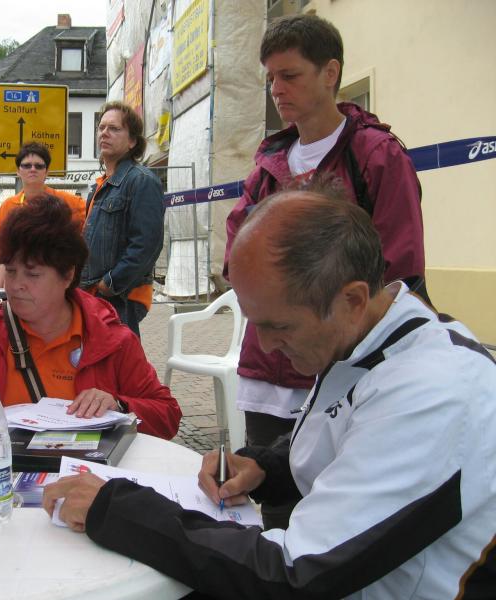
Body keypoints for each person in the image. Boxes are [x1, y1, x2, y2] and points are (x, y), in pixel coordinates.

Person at [42, 186, 496, 599]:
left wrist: (116, 508)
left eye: (279, 325)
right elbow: (345, 438)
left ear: (352, 300)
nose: (263, 344)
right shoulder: (366, 337)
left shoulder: (432, 394)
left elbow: (292, 573)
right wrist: (266, 467)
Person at [223, 14, 425, 526]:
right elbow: (236, 251)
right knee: (273, 501)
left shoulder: (377, 155)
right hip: (268, 367)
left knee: (344, 510)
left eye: (289, 75)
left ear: (330, 72)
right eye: (271, 77)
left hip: (342, 367)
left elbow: (399, 269)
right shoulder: (269, 160)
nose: (276, 89)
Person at [0, 196, 181, 439]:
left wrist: (119, 405)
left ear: (68, 275)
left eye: (33, 274)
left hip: (83, 474)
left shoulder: (110, 338)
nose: (16, 285)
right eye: (11, 271)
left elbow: (167, 415)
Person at [80, 101, 164, 338]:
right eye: (101, 127)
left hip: (121, 297)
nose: (104, 133)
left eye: (114, 128)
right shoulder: (102, 186)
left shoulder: (141, 181)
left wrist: (110, 283)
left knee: (120, 360)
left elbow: (147, 245)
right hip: (95, 293)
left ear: (132, 141)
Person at [0, 141, 84, 288]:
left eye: (39, 166)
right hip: (20, 283)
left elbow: (87, 238)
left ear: (47, 171)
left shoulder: (70, 203)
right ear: (18, 171)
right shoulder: (8, 207)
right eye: (27, 165)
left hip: (55, 283)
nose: (32, 169)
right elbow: (3, 255)